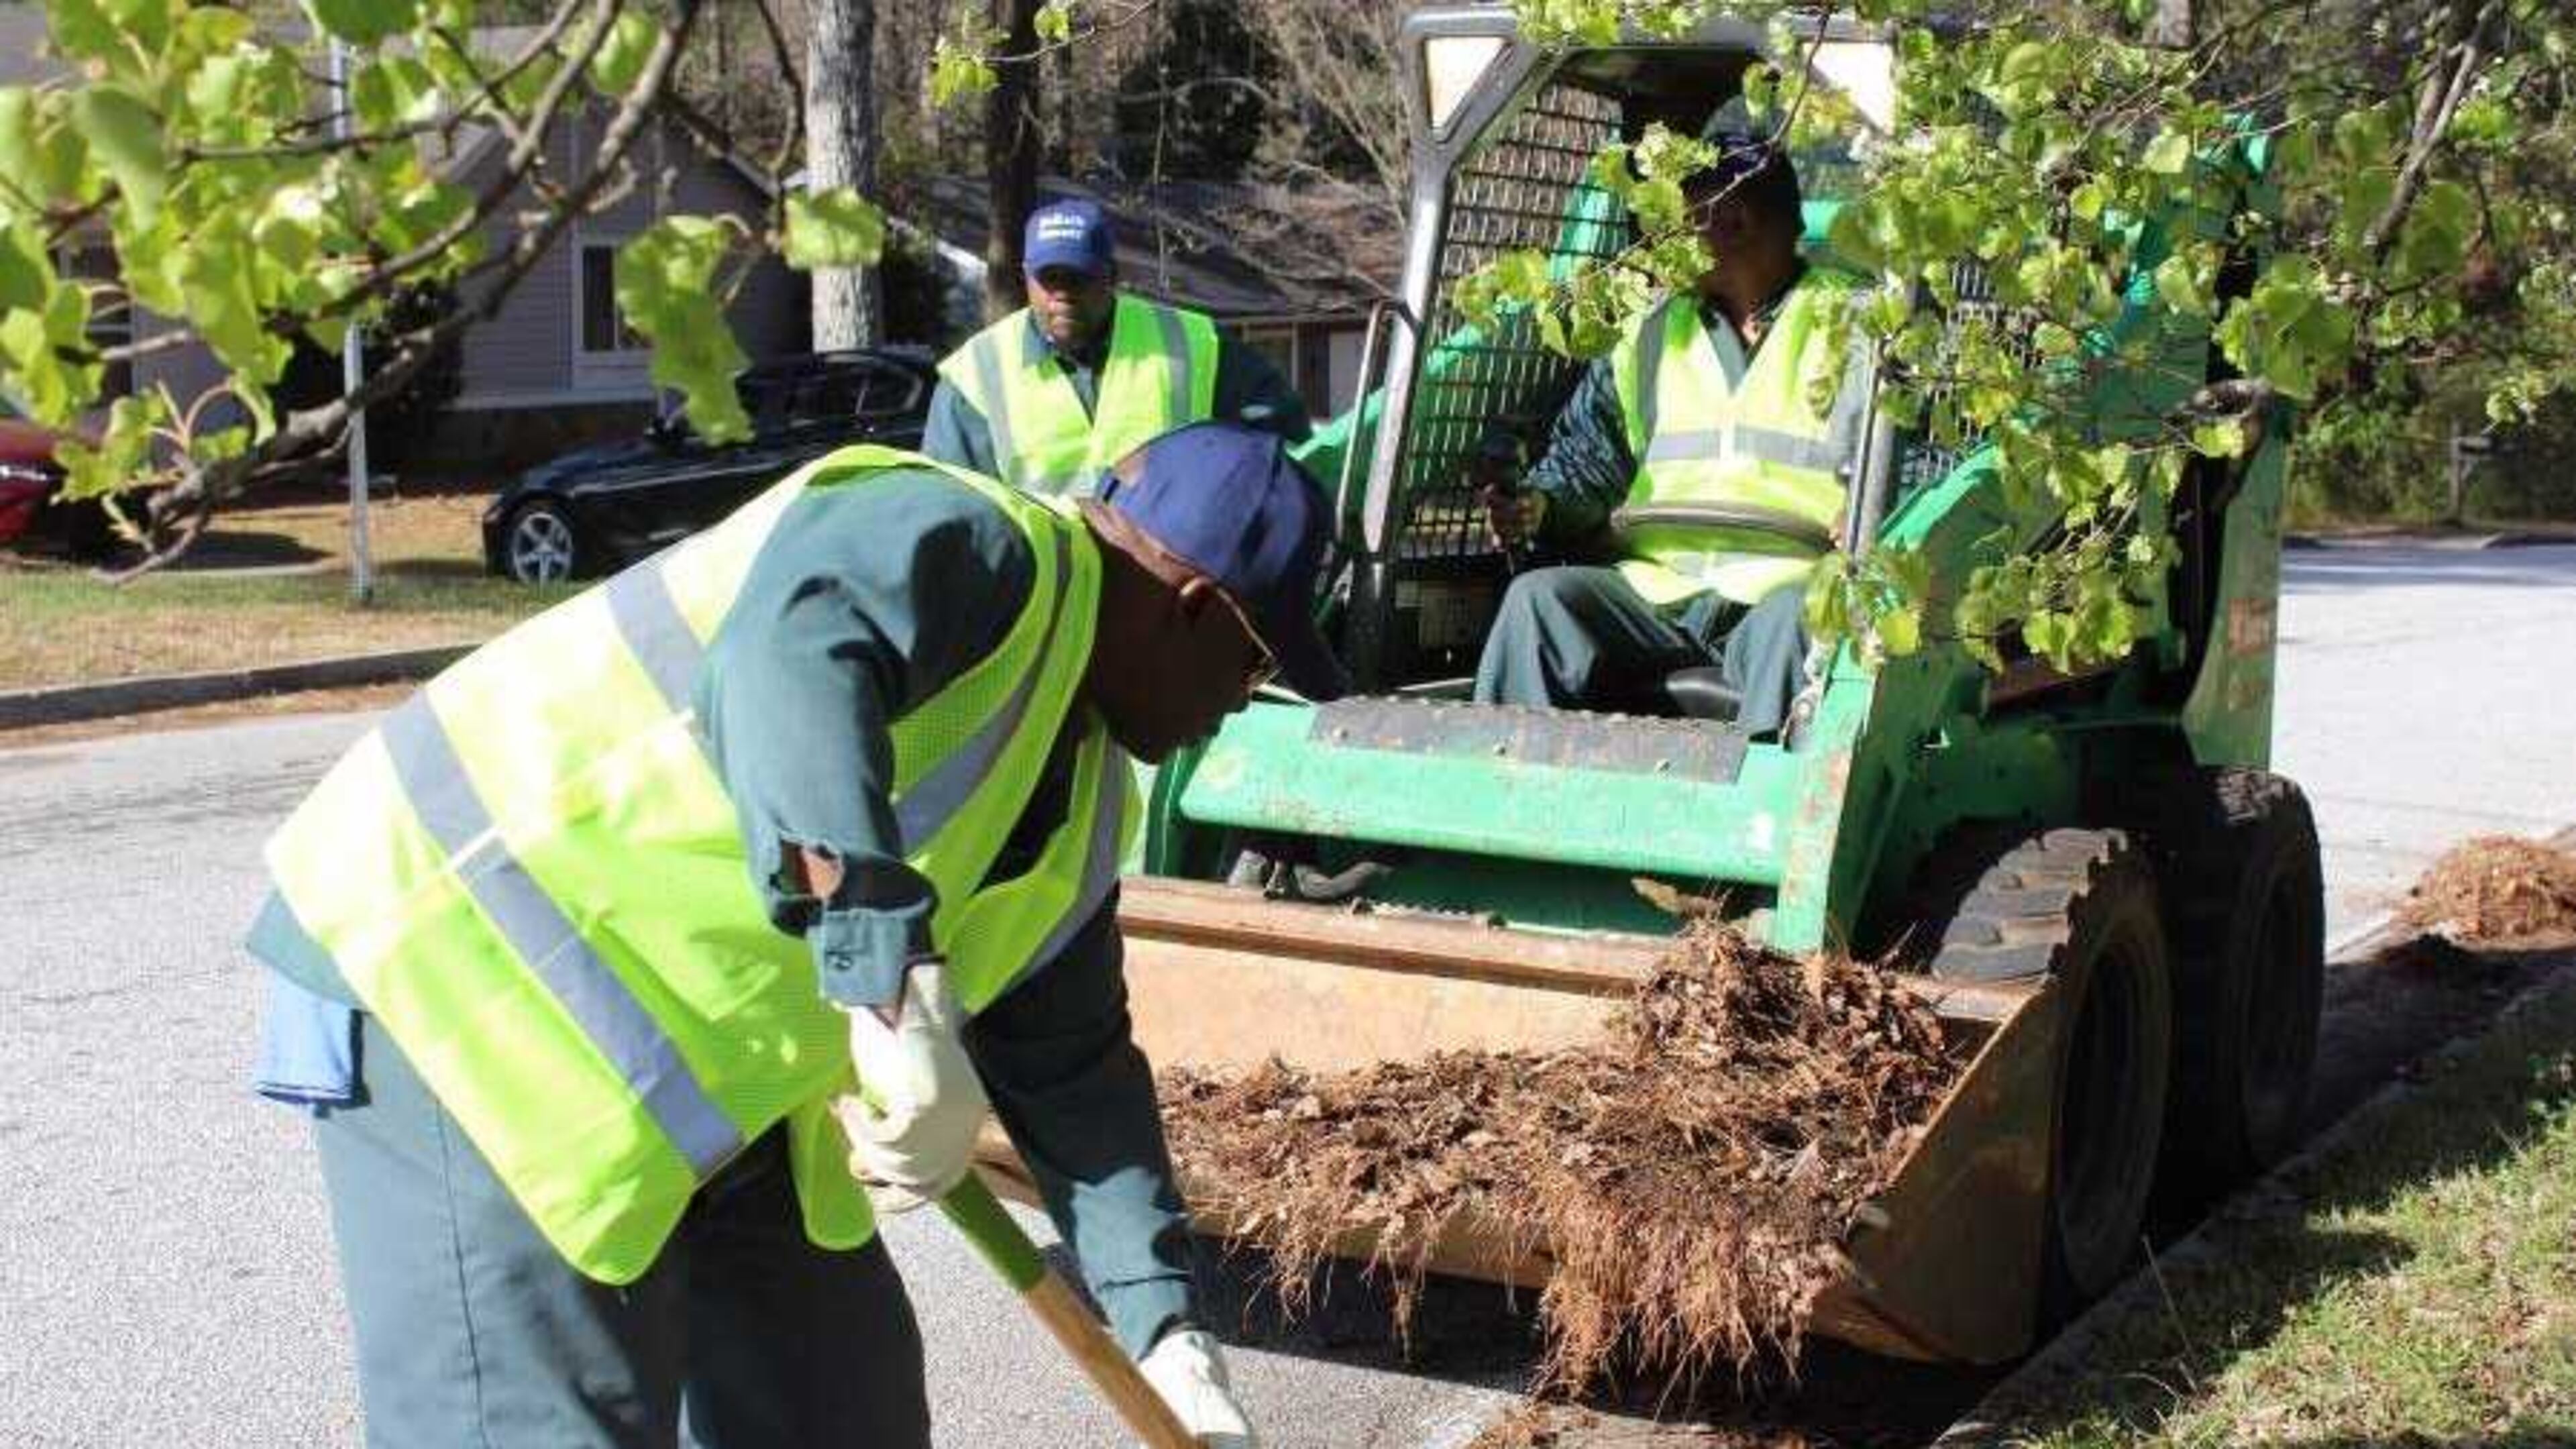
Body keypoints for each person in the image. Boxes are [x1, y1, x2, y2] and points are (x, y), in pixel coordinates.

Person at [244, 423, 1342, 1447]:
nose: (1244, 704)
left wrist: (1164, 1327)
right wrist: (887, 982)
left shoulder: (1089, 791)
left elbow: (1074, 1067)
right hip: (461, 986)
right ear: (1189, 605)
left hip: (705, 1090)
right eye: (1255, 666)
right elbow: (790, 660)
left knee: (835, 1405)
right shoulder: (963, 542)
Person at [1472, 133, 1870, 735]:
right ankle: (1504, 804)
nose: (1657, 241)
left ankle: (1762, 817)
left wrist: (1874, 521)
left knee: (1805, 618)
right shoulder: (1648, 334)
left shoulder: (1861, 330)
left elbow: (1919, 471)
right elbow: (1587, 465)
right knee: (1538, 601)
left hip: (1785, 590)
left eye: (1673, 220)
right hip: (1656, 593)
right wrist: (1540, 505)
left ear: (1733, 220)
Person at [925, 197, 1311, 494]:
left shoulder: (1192, 345)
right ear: (1025, 277)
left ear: (1111, 276)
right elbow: (949, 508)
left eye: (1077, 278)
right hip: (1044, 591)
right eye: (1049, 279)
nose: (1062, 295)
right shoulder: (975, 376)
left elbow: (1281, 449)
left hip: (1168, 587)